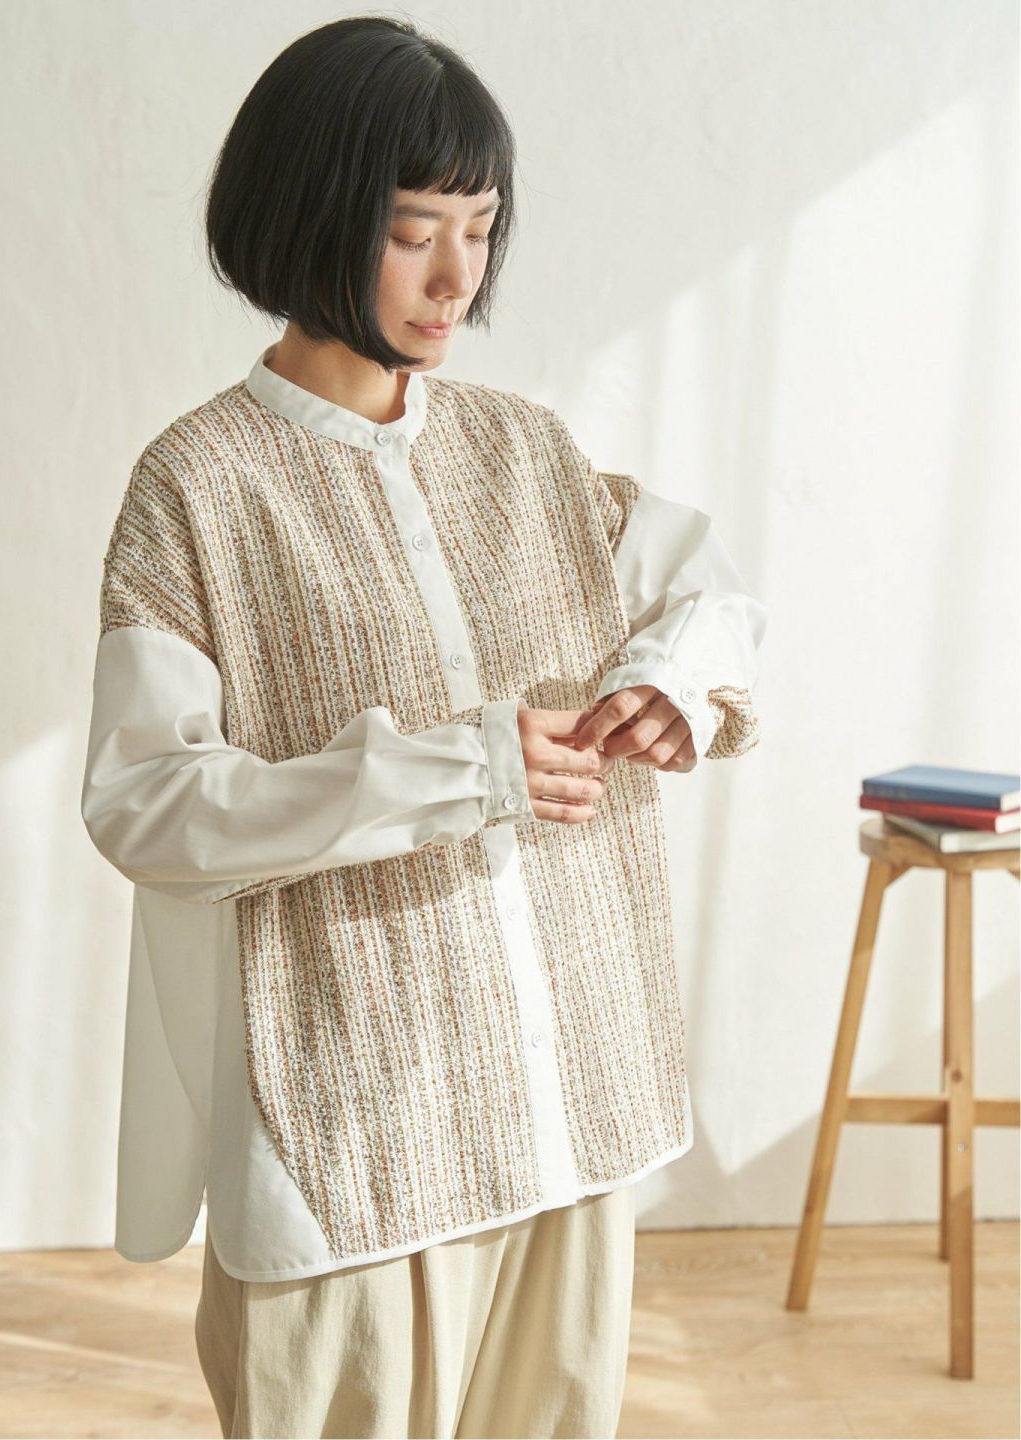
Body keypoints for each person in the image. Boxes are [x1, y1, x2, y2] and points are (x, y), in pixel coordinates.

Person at [80, 14, 767, 1438]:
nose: (459, 278)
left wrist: (668, 681)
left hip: (570, 1105)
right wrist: (459, 767)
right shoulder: (198, 488)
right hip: (352, 1133)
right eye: (412, 234)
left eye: (482, 229)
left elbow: (707, 589)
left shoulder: (525, 449)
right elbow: (149, 802)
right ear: (309, 216)